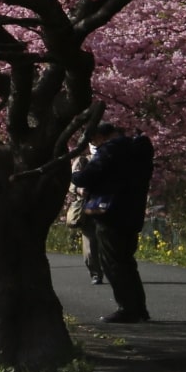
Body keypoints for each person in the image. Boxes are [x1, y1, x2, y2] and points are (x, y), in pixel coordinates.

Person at [72, 121, 155, 323]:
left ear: (101, 136)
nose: (93, 145)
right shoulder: (140, 150)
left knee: (113, 263)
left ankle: (127, 309)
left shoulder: (111, 150)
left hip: (110, 214)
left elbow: (86, 177)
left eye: (93, 140)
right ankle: (138, 309)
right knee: (126, 261)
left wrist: (74, 175)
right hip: (133, 212)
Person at [65, 155, 105, 285]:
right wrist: (78, 189)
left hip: (108, 204)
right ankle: (95, 273)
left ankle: (112, 270)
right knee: (90, 243)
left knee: (109, 241)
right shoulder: (82, 160)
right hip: (88, 207)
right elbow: (71, 181)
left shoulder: (111, 155)